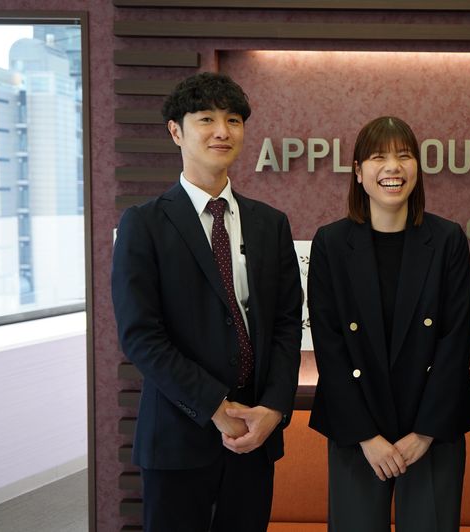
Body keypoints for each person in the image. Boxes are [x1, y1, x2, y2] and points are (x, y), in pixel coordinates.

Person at [111, 72, 302, 532]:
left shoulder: (270, 223)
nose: (222, 131)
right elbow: (141, 336)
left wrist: (274, 409)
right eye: (206, 119)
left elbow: (286, 325)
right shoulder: (144, 224)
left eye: (233, 120)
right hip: (177, 436)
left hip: (254, 435)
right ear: (176, 131)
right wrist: (215, 406)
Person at [307, 116, 470, 531]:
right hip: (357, 430)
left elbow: (455, 341)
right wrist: (367, 437)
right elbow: (329, 347)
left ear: (417, 168)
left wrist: (423, 434)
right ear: (358, 171)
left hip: (432, 428)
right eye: (378, 157)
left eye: (404, 156)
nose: (392, 167)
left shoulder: (447, 239)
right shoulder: (331, 243)